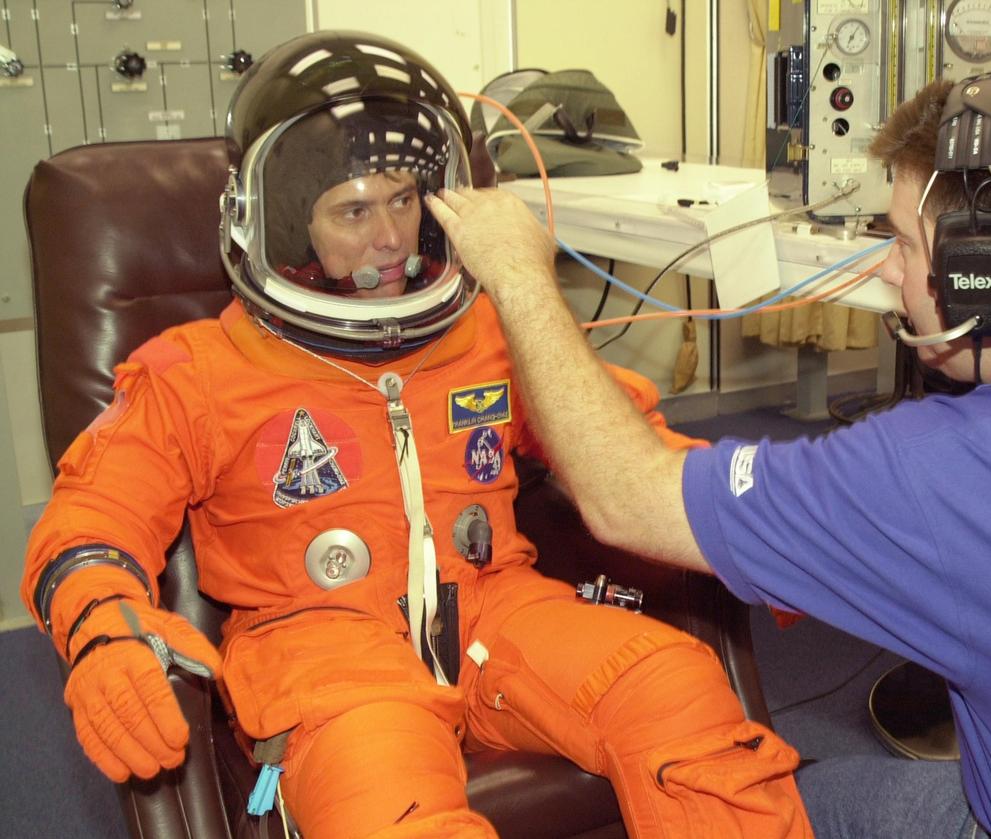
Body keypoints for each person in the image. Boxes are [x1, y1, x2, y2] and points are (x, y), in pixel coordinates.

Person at [426, 64, 991, 839]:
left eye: (904, 243)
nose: (887, 274)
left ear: (983, 266)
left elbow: (623, 494)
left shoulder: (940, 471)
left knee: (808, 805)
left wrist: (523, 278)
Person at [22, 31, 814, 839]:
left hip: (495, 609)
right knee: (391, 803)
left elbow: (621, 448)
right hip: (322, 646)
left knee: (673, 688)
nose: (391, 237)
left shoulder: (485, 333)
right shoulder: (200, 367)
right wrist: (100, 626)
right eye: (355, 210)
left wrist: (752, 525)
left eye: (403, 199)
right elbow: (93, 517)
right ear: (290, 224)